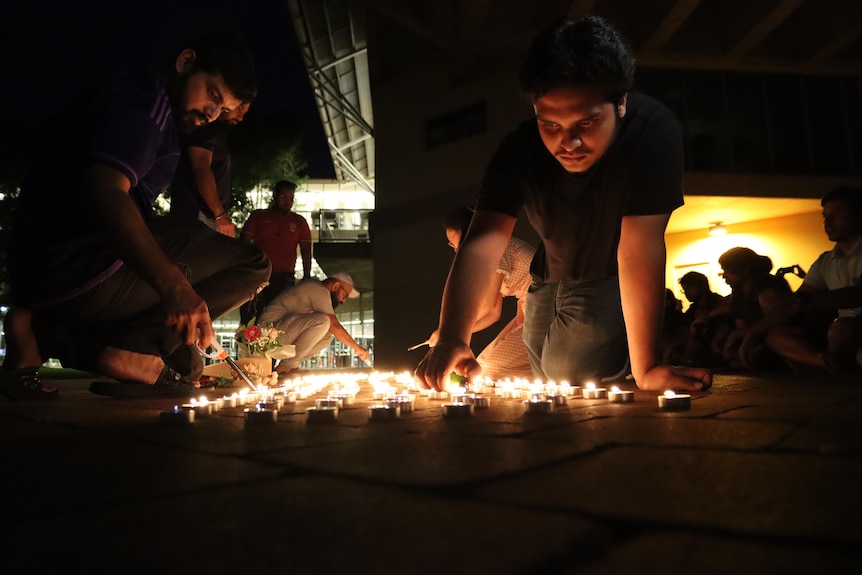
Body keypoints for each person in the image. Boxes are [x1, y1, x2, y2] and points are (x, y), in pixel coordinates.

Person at [414, 16, 711, 392]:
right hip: (545, 278)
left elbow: (639, 246)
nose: (567, 143)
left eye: (586, 124)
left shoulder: (650, 132)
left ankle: (624, 357)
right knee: (545, 371)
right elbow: (482, 241)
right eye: (550, 124)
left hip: (607, 275)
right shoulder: (519, 150)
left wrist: (647, 367)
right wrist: (455, 336)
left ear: (619, 104)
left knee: (567, 372)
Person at [0, 30, 270, 400]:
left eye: (221, 110)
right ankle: (134, 348)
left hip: (45, 278)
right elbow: (105, 192)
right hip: (78, 266)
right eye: (212, 94)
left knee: (186, 363)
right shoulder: (146, 103)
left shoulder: (138, 101)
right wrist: (174, 286)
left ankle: (39, 331)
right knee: (253, 262)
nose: (211, 115)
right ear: (185, 62)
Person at [427, 206, 535, 381]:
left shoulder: (498, 247)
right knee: (487, 365)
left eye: (452, 239)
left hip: (547, 311)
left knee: (491, 367)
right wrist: (450, 333)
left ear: (466, 233)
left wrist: (449, 333)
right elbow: (492, 313)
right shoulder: (492, 252)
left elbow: (489, 307)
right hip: (530, 310)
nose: (452, 247)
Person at [766, 186, 862, 371]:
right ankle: (825, 362)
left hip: (849, 329)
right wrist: (751, 333)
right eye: (825, 216)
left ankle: (826, 362)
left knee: (843, 326)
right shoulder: (826, 260)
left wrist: (803, 301)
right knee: (776, 335)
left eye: (837, 215)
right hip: (839, 334)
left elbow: (857, 294)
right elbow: (801, 298)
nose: (828, 222)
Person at [168, 98, 253, 237]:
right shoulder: (207, 128)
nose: (241, 117)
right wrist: (219, 214)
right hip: (197, 216)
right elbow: (200, 168)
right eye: (239, 109)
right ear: (227, 103)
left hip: (204, 216)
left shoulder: (215, 132)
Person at [258, 272, 371, 374]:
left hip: (278, 332)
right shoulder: (318, 290)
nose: (343, 301)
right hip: (267, 334)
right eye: (344, 295)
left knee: (327, 336)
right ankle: (286, 366)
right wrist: (357, 348)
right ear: (336, 286)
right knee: (323, 322)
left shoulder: (315, 287)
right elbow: (334, 324)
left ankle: (290, 365)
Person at [239, 180, 313, 324]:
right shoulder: (258, 216)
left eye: (291, 198)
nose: (288, 201)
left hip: (285, 277)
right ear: (274, 196)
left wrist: (307, 276)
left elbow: (306, 251)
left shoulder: (299, 222)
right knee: (251, 314)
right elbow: (243, 244)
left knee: (280, 318)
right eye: (283, 197)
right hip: (259, 273)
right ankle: (246, 344)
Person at [717, 247, 791, 369]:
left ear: (744, 270)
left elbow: (780, 317)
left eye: (728, 271)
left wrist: (749, 336)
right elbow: (741, 326)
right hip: (755, 342)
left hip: (778, 336)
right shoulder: (738, 292)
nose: (724, 276)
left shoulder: (767, 285)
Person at [663, 271, 732, 368]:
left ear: (702, 287)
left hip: (713, 347)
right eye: (684, 289)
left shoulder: (717, 302)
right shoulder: (692, 310)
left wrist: (706, 316)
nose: (687, 292)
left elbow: (729, 310)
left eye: (690, 288)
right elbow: (683, 331)